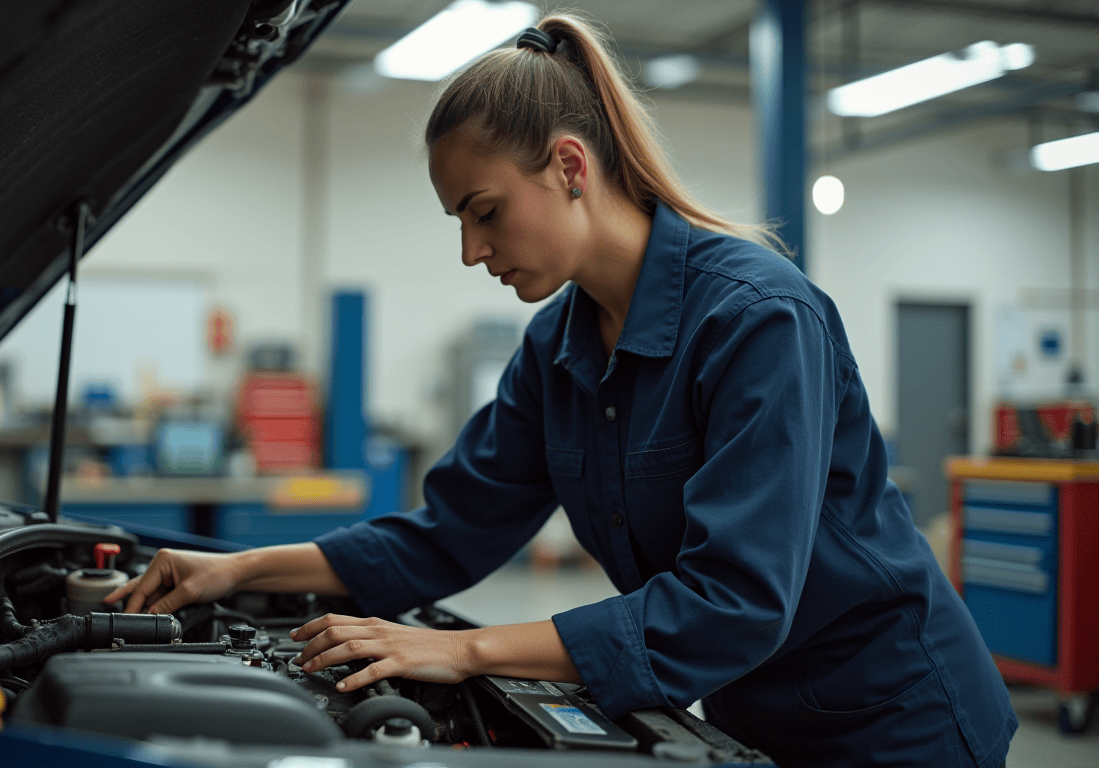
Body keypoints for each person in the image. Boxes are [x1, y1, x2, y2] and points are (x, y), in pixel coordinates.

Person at [106, 12, 1015, 767]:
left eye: (485, 211)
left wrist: (466, 649)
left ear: (570, 168)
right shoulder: (558, 347)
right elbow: (445, 535)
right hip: (753, 721)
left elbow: (733, 601)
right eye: (458, 220)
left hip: (898, 720)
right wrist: (235, 571)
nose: (471, 251)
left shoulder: (758, 319)